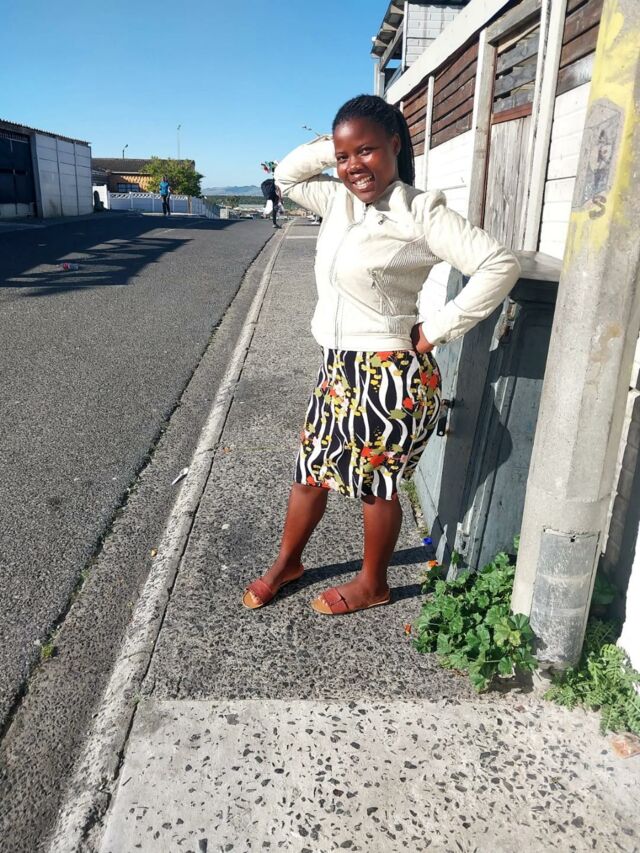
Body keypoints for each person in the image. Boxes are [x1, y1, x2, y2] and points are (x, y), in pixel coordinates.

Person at [242, 94, 520, 615]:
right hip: (337, 367)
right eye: (344, 157)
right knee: (310, 472)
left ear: (395, 144)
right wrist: (337, 146)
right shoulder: (337, 201)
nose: (354, 166)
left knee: (377, 486)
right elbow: (287, 177)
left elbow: (498, 264)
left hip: (391, 374)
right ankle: (288, 563)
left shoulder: (421, 212)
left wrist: (437, 329)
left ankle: (374, 583)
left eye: (366, 150)